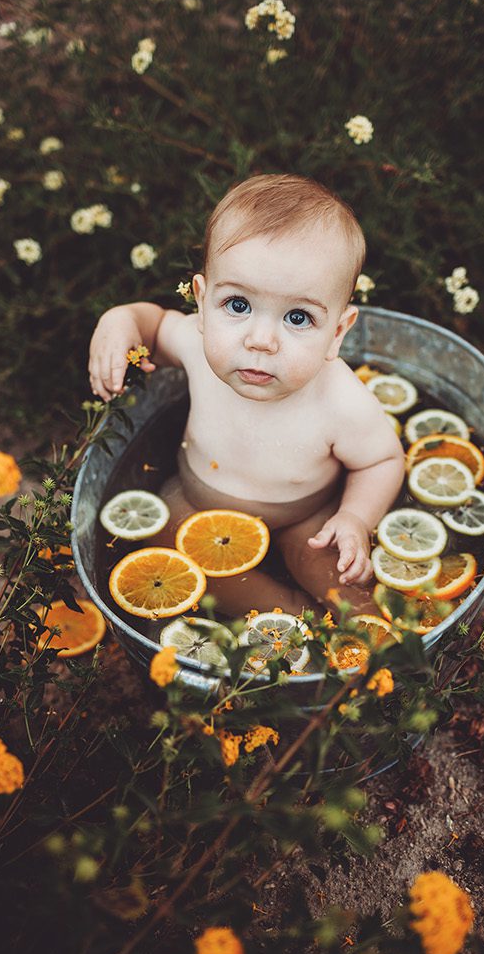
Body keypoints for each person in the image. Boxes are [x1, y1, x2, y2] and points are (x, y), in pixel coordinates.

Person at [88, 173, 405, 619]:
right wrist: (119, 321)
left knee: (345, 581)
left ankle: (368, 642)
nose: (260, 340)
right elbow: (154, 325)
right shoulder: (198, 348)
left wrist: (355, 518)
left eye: (297, 317)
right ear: (202, 303)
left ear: (337, 332)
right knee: (163, 538)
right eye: (238, 305)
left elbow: (382, 460)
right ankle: (287, 617)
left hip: (307, 519)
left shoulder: (340, 400)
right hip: (199, 503)